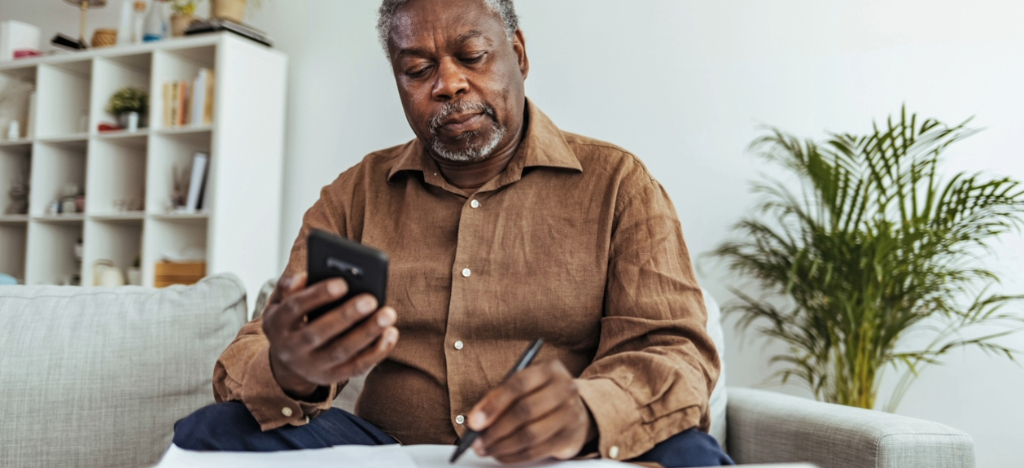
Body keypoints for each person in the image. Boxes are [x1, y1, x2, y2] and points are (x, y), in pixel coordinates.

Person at [173, 0, 733, 466]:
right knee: (214, 430)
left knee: (689, 453)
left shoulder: (618, 183)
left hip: (564, 457)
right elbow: (256, 349)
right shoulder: (354, 195)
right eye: (417, 69)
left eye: (472, 56)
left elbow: (675, 350)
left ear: (517, 54)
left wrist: (589, 410)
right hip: (392, 455)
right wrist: (289, 369)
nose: (448, 84)